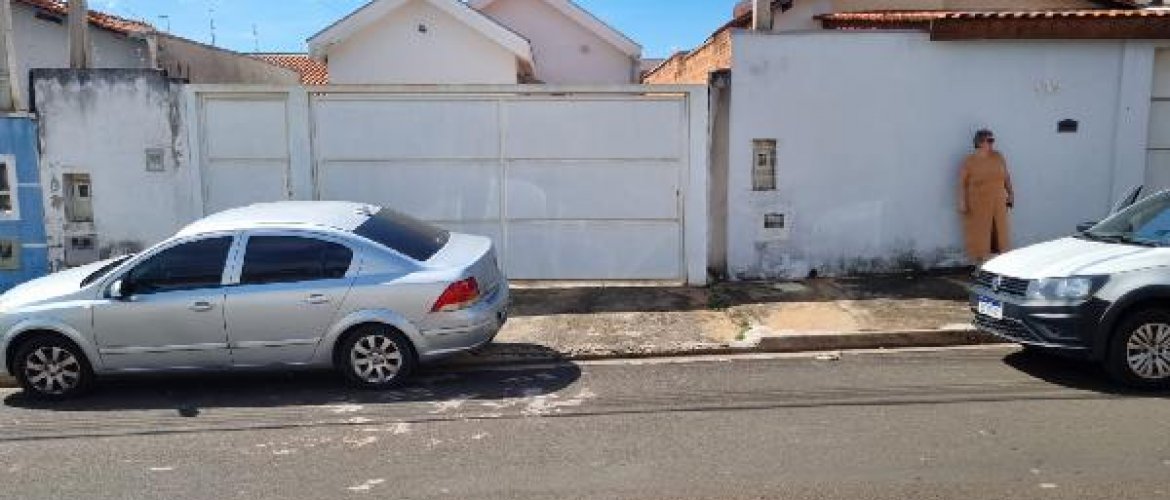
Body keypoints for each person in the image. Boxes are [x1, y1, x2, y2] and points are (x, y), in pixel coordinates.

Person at [959, 129, 1014, 264]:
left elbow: (1006, 177)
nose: (992, 143)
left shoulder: (998, 156)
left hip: (998, 201)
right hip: (978, 203)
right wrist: (962, 202)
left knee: (1000, 232)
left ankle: (1001, 262)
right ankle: (981, 262)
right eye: (989, 140)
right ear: (980, 142)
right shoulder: (969, 161)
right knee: (981, 233)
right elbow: (962, 184)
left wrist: (1011, 193)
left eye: (992, 140)